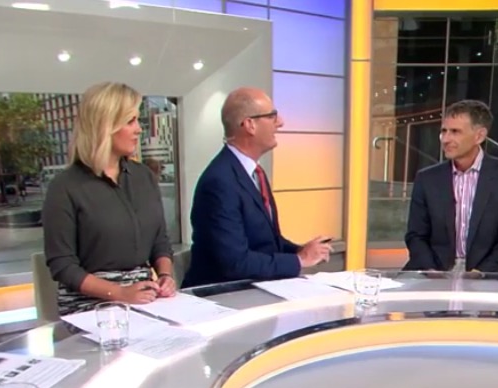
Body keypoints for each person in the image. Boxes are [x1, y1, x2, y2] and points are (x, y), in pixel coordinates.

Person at [42, 82, 175, 316]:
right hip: (88, 306)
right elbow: (62, 265)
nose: (139, 129)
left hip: (145, 298)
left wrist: (165, 276)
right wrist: (119, 292)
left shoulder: (144, 176)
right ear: (105, 126)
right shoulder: (64, 187)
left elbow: (160, 242)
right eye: (130, 121)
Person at [183, 87, 331, 288]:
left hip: (255, 290)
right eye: (272, 116)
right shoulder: (219, 182)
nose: (280, 122)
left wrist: (300, 250)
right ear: (250, 125)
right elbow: (235, 263)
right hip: (223, 296)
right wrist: (299, 260)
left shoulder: (254, 173)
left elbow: (265, 243)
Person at [404, 100, 498, 274]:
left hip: (488, 273)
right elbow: (416, 236)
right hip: (434, 271)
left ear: (479, 136)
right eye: (444, 131)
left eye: (455, 132)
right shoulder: (427, 178)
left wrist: (479, 273)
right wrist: (432, 270)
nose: (446, 139)